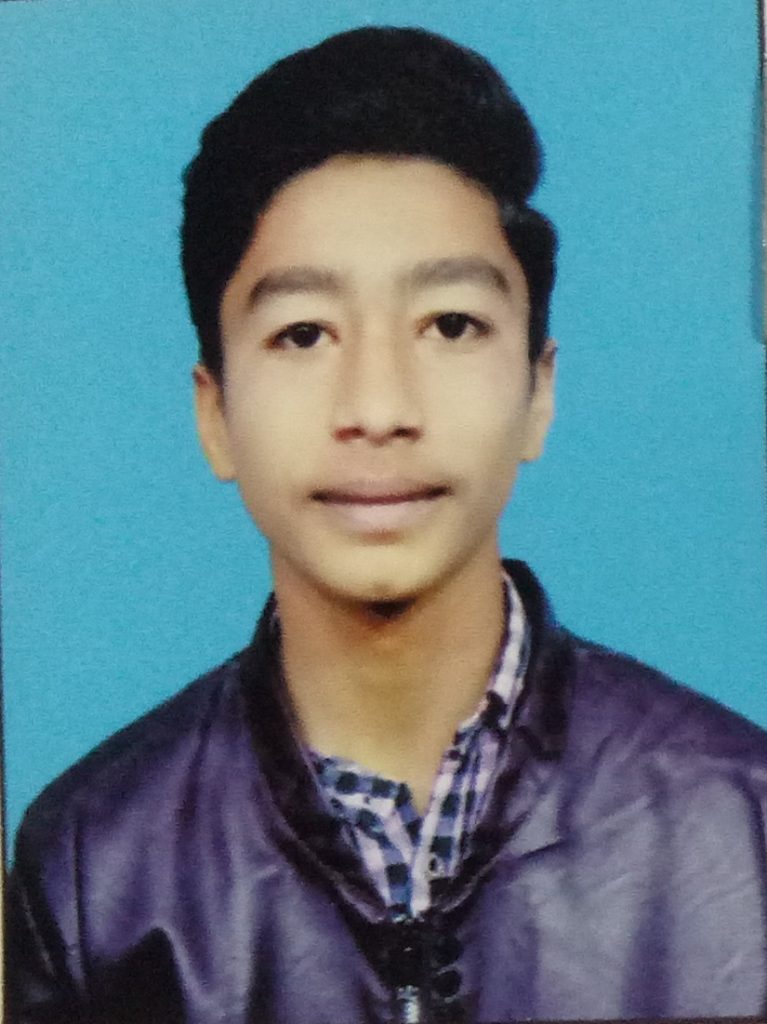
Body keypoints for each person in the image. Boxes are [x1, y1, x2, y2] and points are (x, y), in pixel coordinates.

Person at [5, 25, 767, 1024]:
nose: (377, 406)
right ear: (214, 413)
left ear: (537, 391)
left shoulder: (742, 825)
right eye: (303, 333)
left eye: (449, 324)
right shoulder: (88, 870)